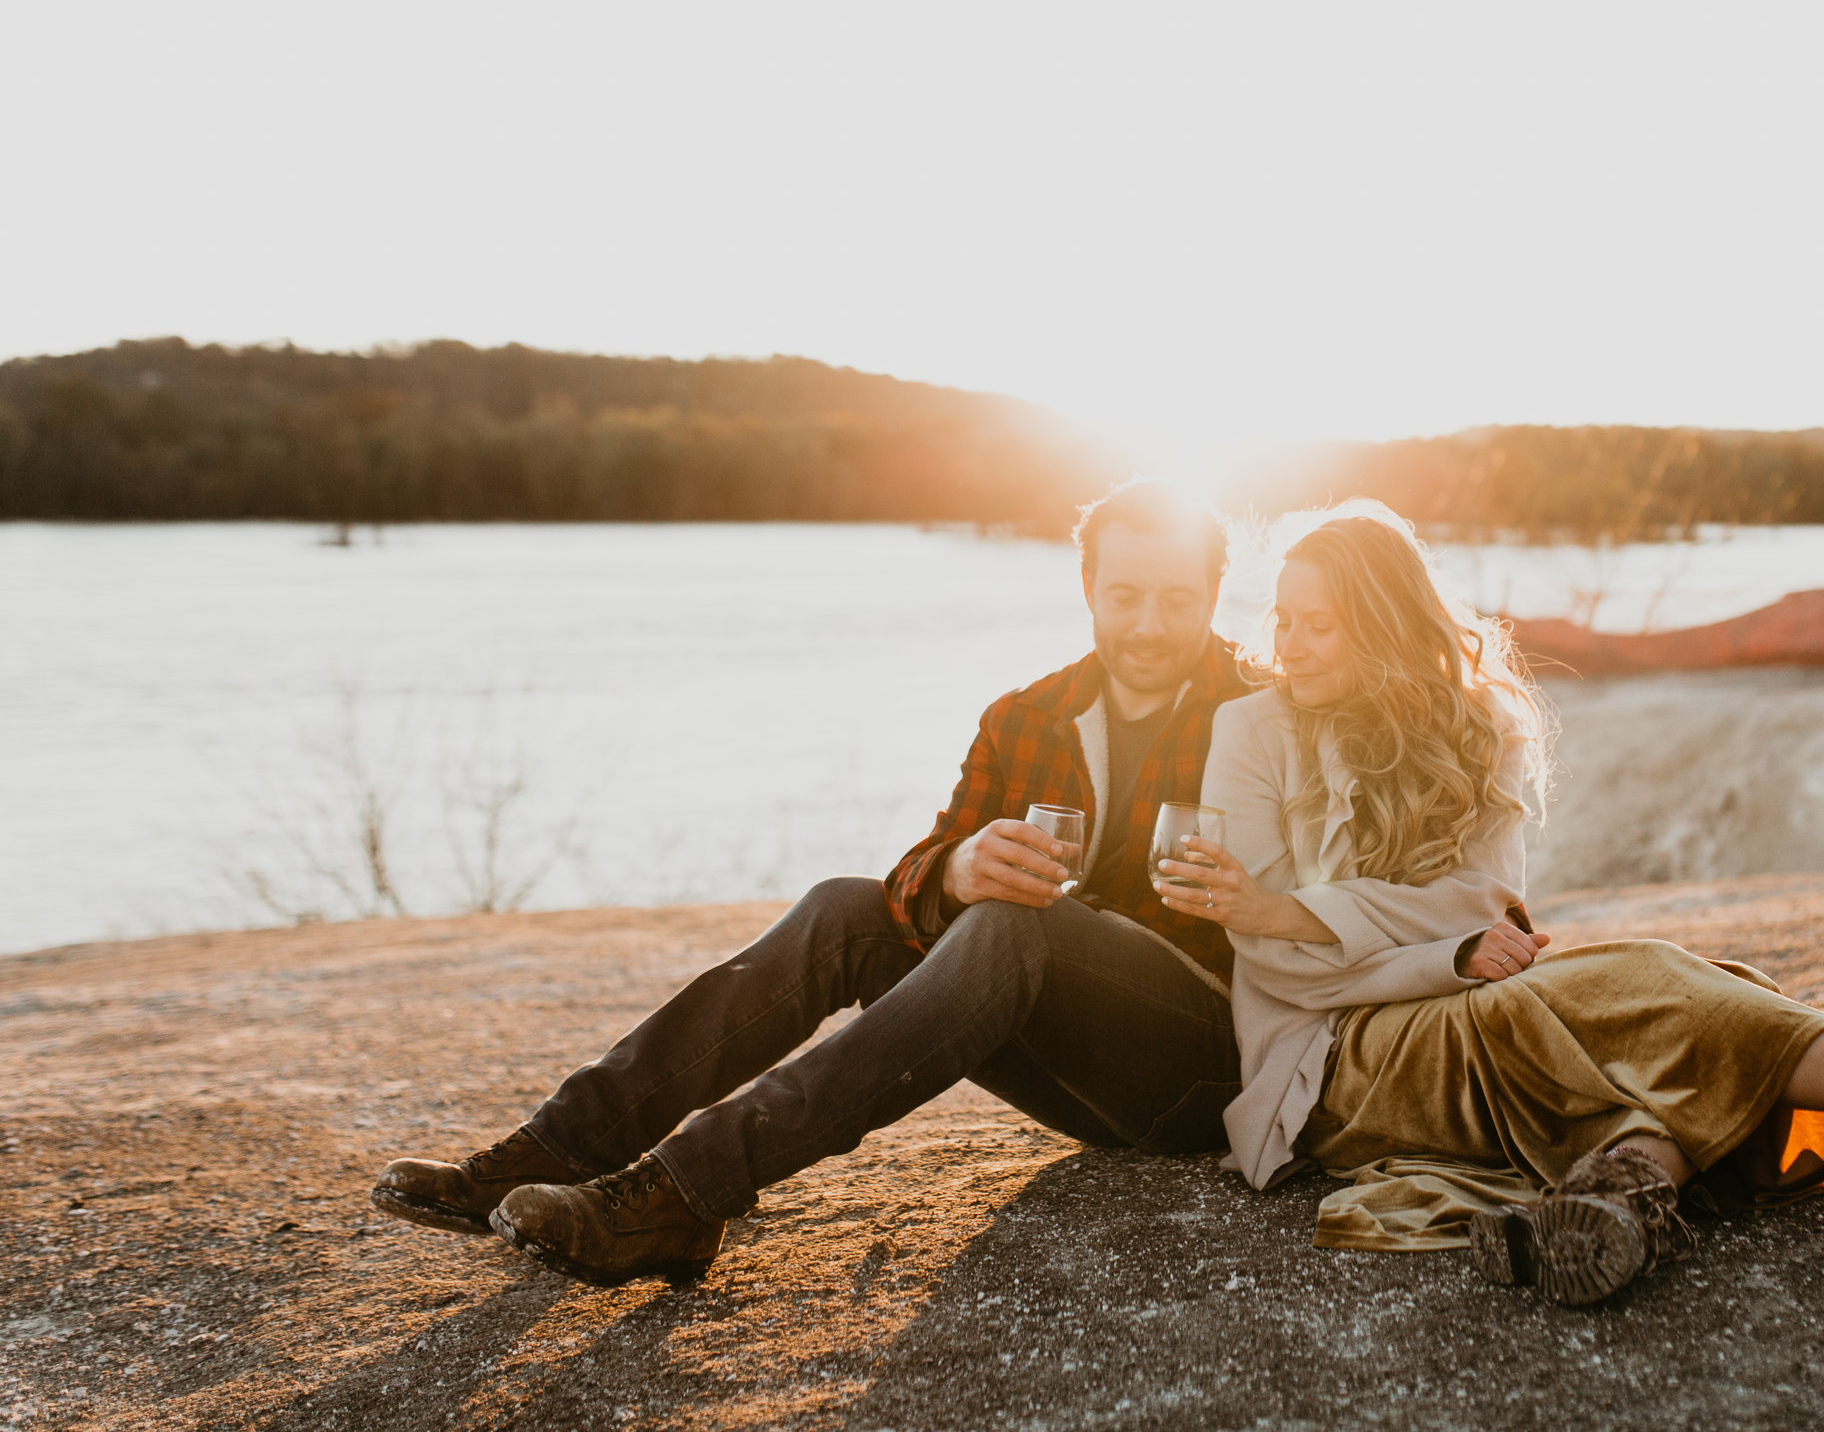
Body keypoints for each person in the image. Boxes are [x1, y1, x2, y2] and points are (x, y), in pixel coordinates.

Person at [1162, 503, 1824, 1306]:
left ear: (1385, 629)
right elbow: (1274, 947)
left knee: (1607, 997)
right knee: (1602, 990)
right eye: (1280, 620)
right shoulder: (1250, 731)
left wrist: (1405, 925)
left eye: (1318, 626)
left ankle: (1628, 1189)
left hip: (1464, 1001)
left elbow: (1478, 900)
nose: (1286, 645)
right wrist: (1440, 946)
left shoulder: (1474, 729)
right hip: (1328, 1063)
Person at [369, 479, 1254, 1286]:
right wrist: (954, 867)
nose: (1146, 624)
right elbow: (916, 872)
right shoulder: (1026, 715)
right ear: (1090, 590)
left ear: (1214, 595)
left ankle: (682, 1190)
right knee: (845, 907)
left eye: (1176, 599)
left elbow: (1348, 896)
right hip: (1078, 1075)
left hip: (1210, 1070)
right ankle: (556, 1150)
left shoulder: (1268, 717)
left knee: (1019, 926)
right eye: (1125, 595)